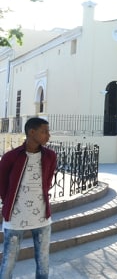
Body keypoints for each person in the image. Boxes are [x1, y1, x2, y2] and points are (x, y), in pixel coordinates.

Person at [0, 117, 57, 279]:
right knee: (8, 262)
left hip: (42, 218)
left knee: (43, 261)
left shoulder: (50, 156)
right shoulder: (11, 157)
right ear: (32, 132)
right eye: (44, 131)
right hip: (15, 217)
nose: (48, 135)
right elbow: (2, 185)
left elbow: (47, 181)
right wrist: (9, 202)